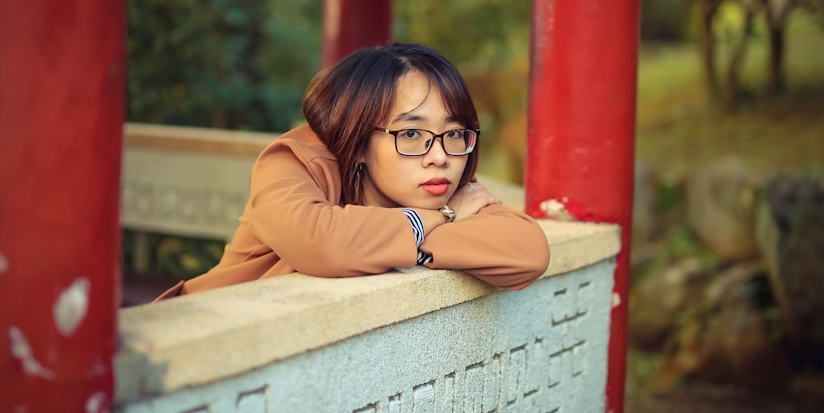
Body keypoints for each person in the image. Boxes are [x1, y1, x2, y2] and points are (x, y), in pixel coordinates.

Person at [155, 42, 549, 300]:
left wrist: (388, 242)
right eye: (411, 132)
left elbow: (526, 250)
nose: (439, 155)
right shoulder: (293, 163)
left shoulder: (440, 173)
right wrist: (437, 220)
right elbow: (320, 242)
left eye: (455, 132)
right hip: (201, 358)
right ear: (360, 141)